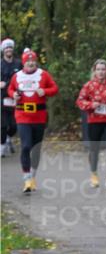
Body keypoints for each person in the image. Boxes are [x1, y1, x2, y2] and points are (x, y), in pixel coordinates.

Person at [8, 49, 58, 193]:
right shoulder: (17, 76)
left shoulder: (43, 74)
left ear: (36, 62)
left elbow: (54, 88)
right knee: (25, 146)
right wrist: (14, 95)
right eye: (28, 61)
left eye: (33, 61)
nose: (30, 63)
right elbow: (10, 89)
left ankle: (33, 176)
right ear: (23, 63)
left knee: (36, 147)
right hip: (22, 115)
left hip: (39, 116)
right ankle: (27, 179)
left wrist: (45, 91)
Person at [75, 59, 106, 188]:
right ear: (94, 71)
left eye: (103, 69)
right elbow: (80, 101)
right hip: (95, 121)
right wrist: (91, 105)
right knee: (94, 148)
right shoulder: (89, 85)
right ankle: (94, 175)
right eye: (98, 69)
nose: (101, 72)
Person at [0, 38, 20, 157]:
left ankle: (8, 137)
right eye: (6, 48)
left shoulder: (18, 63)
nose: (9, 50)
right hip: (2, 98)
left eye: (10, 47)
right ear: (3, 50)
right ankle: (2, 147)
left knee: (14, 126)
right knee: (2, 125)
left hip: (15, 98)